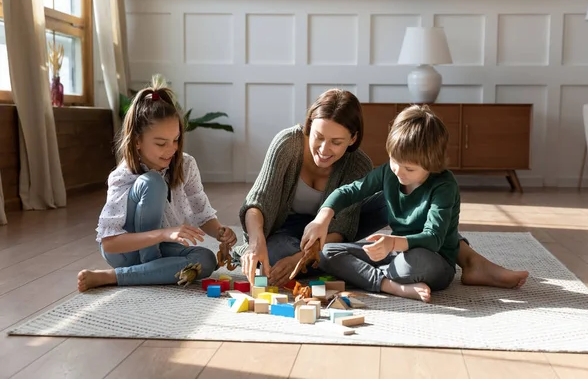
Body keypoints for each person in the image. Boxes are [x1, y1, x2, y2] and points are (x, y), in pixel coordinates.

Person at [234, 90, 528, 290]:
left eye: (336, 142)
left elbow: (348, 225)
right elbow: (260, 200)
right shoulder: (289, 144)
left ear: (353, 139)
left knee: (406, 206)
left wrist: (391, 243)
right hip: (287, 232)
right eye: (318, 137)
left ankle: (467, 259)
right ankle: (373, 268)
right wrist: (260, 241)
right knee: (285, 256)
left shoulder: (366, 164)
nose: (324, 149)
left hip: (408, 245)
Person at [300, 105, 525, 303]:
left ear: (432, 164)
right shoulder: (390, 172)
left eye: (410, 169)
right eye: (395, 161)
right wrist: (323, 217)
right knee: (328, 252)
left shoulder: (444, 185)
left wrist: (391, 244)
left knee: (411, 265)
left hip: (431, 258)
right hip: (394, 254)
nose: (399, 171)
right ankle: (391, 286)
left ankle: (367, 275)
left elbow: (434, 238)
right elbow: (350, 191)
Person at [77, 77, 236, 292]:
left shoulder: (186, 164)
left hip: (162, 249)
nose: (171, 149)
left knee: (205, 260)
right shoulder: (123, 176)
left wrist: (220, 232)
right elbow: (109, 244)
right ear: (137, 141)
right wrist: (164, 234)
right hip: (126, 252)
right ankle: (119, 274)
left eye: (176, 140)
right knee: (152, 182)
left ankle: (142, 272)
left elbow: (202, 212)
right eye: (161, 143)